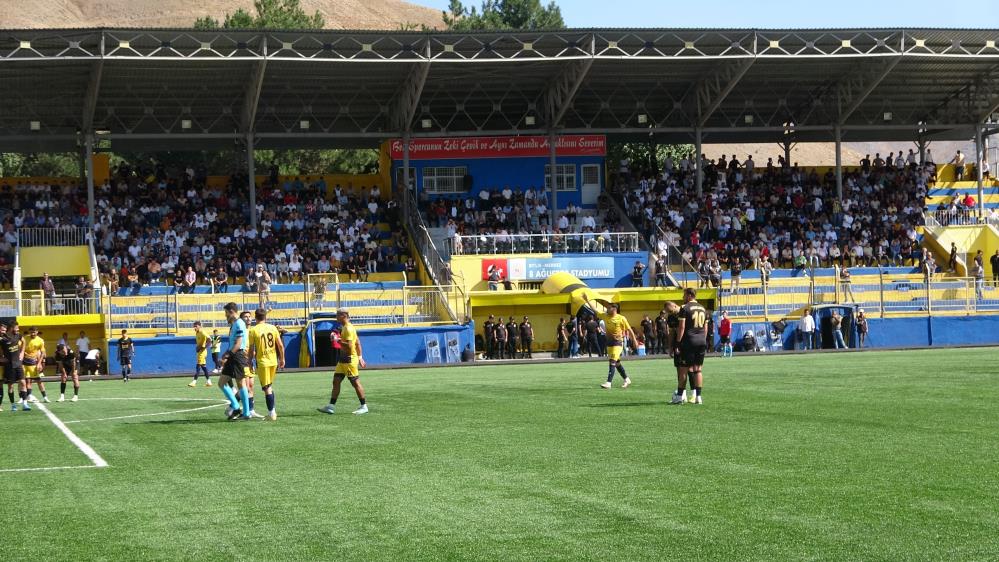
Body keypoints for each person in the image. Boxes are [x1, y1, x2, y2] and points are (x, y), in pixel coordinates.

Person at [318, 309, 368, 415]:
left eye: (338, 315)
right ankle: (331, 406)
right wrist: (360, 357)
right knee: (336, 381)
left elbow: (350, 347)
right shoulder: (345, 327)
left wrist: (337, 339)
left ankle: (364, 406)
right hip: (342, 360)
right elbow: (358, 342)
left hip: (349, 360)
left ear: (344, 315)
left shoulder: (349, 328)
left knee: (355, 382)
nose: (336, 317)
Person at [671, 288, 708, 405]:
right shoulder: (703, 308)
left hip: (689, 341)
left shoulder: (684, 308)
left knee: (683, 369)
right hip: (701, 341)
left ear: (689, 295)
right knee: (698, 370)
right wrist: (702, 339)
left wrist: (677, 343)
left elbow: (681, 328)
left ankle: (679, 396)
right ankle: (698, 397)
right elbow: (705, 329)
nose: (683, 297)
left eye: (684, 295)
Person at [248, 308, 285, 421]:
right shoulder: (273, 328)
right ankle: (272, 411)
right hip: (273, 361)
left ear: (255, 317)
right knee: (268, 386)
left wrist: (249, 361)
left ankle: (272, 413)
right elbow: (280, 345)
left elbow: (251, 349)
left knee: (267, 388)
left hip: (262, 362)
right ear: (265, 317)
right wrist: (282, 359)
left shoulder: (253, 330)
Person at [219, 302, 252, 420]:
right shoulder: (235, 324)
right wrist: (226, 352)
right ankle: (236, 406)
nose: (225, 315)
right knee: (221, 383)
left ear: (232, 312)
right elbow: (234, 343)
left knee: (241, 384)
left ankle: (246, 412)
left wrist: (228, 354)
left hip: (237, 356)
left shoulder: (239, 323)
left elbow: (238, 344)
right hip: (234, 355)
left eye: (226, 313)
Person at [599, 304, 637, 389]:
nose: (607, 309)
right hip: (609, 344)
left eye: (609, 308)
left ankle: (608, 383)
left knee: (612, 362)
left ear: (614, 309)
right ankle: (627, 379)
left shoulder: (621, 318)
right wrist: (587, 300)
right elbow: (595, 310)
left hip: (618, 343)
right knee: (617, 363)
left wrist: (634, 340)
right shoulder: (605, 316)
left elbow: (629, 329)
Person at [1, 323, 26, 411]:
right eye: (16, 328)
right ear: (11, 328)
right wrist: (2, 358)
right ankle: (13, 405)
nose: (18, 329)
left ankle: (25, 404)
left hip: (18, 364)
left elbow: (24, 341)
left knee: (23, 382)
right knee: (10, 386)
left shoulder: (18, 335)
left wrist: (22, 352)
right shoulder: (2, 339)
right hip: (9, 366)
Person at [22, 326, 49, 404]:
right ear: (29, 332)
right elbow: (20, 348)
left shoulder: (40, 340)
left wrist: (39, 363)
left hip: (34, 363)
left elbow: (43, 352)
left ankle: (45, 397)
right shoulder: (24, 338)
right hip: (24, 363)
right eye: (31, 332)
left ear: (37, 332)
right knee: (27, 380)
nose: (32, 334)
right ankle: (28, 396)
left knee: (39, 381)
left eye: (34, 332)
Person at [188, 321, 213, 387]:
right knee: (203, 367)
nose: (194, 327)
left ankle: (194, 382)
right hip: (200, 352)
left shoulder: (202, 332)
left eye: (196, 326)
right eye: (194, 326)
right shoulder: (197, 333)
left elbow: (210, 340)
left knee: (198, 366)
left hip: (202, 352)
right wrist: (198, 347)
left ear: (199, 326)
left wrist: (204, 347)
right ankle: (209, 381)